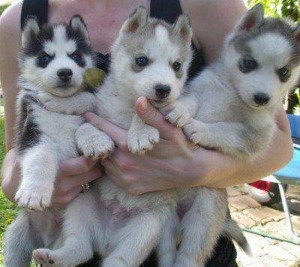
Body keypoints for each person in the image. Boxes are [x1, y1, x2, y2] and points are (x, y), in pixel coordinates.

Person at [0, 0, 293, 266]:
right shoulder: (18, 21)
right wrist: (15, 178)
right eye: (143, 62)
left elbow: (279, 143)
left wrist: (192, 171)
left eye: (176, 66)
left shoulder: (208, 4)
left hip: (179, 236)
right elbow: (18, 144)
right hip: (76, 228)